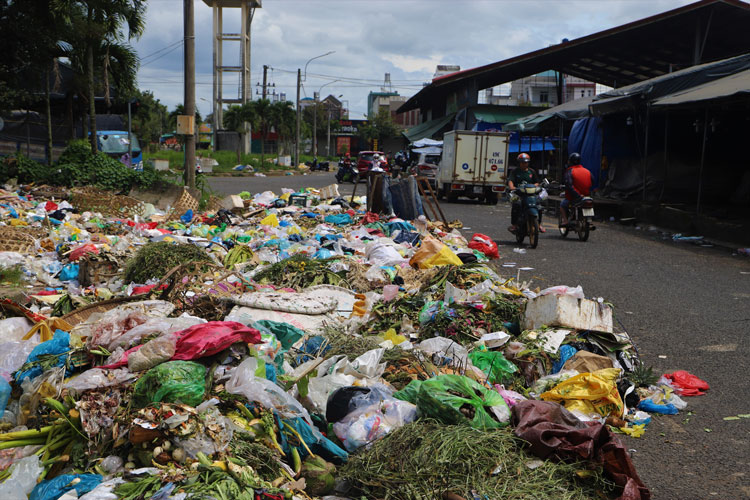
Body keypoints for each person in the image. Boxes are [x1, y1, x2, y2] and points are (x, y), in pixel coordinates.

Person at [507, 153, 545, 232]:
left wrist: (534, 186)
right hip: (519, 194)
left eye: (526, 162)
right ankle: (514, 225)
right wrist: (512, 187)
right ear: (519, 163)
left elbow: (537, 182)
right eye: (522, 162)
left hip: (531, 193)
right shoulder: (515, 171)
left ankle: (539, 224)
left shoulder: (531, 171)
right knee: (516, 205)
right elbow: (510, 181)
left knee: (539, 206)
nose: (524, 164)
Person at [560, 152, 595, 226]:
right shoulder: (587, 171)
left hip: (575, 198)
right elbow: (593, 182)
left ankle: (565, 221)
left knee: (562, 205)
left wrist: (578, 195)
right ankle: (589, 219)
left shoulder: (570, 171)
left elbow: (569, 186)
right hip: (587, 197)